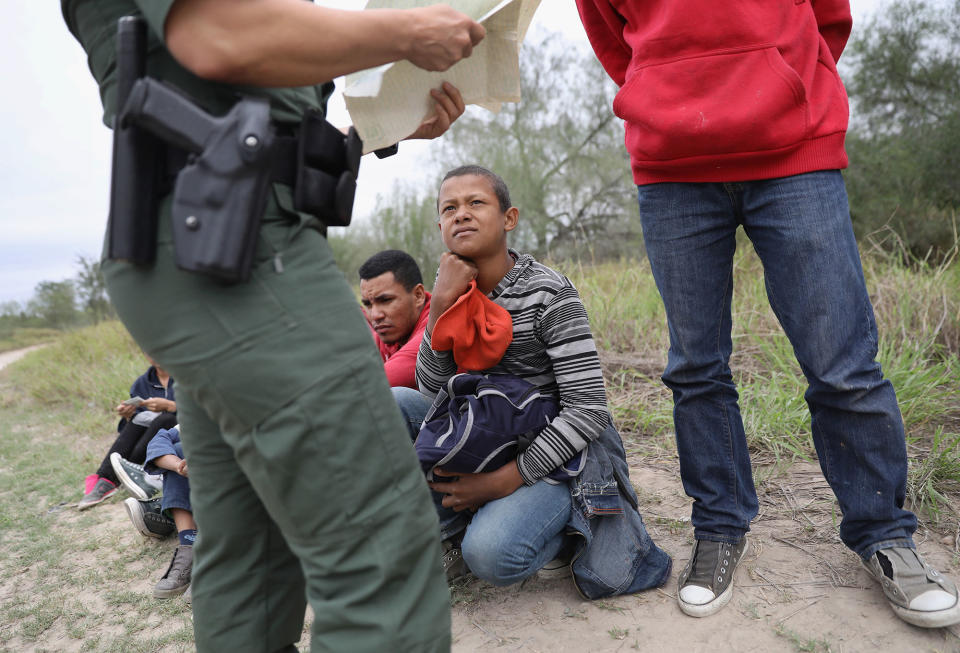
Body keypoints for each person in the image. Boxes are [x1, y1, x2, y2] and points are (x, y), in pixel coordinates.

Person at [62, 1, 485, 650]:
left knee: (252, 558)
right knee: (383, 556)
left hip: (214, 252)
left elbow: (252, 109)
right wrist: (406, 32)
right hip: (246, 257)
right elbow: (216, 34)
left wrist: (389, 122)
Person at [574, 0, 960, 627]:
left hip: (795, 157)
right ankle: (720, 529)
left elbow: (830, 18)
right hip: (672, 168)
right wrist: (668, 94)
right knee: (695, 366)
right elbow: (616, 45)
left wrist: (784, 84)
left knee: (842, 364)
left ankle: (886, 536)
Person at [403, 165, 671, 596]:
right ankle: (450, 530)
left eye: (476, 203)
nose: (461, 215)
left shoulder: (548, 292)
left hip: (554, 456)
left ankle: (566, 528)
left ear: (509, 219)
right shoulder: (450, 293)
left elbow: (588, 411)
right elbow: (431, 395)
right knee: (394, 405)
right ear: (439, 226)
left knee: (491, 555)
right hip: (482, 436)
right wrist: (439, 310)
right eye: (449, 208)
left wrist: (506, 480)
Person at [78, 358, 176, 509]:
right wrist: (128, 415)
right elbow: (131, 429)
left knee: (165, 418)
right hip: (151, 437)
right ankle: (106, 479)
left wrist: (171, 406)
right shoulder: (142, 383)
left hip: (182, 427)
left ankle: (123, 475)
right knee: (138, 419)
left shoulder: (187, 375)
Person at [359, 249, 431, 390]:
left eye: (385, 300)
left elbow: (371, 386)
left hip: (453, 411)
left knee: (397, 397)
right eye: (368, 304)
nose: (375, 315)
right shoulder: (389, 332)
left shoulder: (439, 326)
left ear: (418, 295)